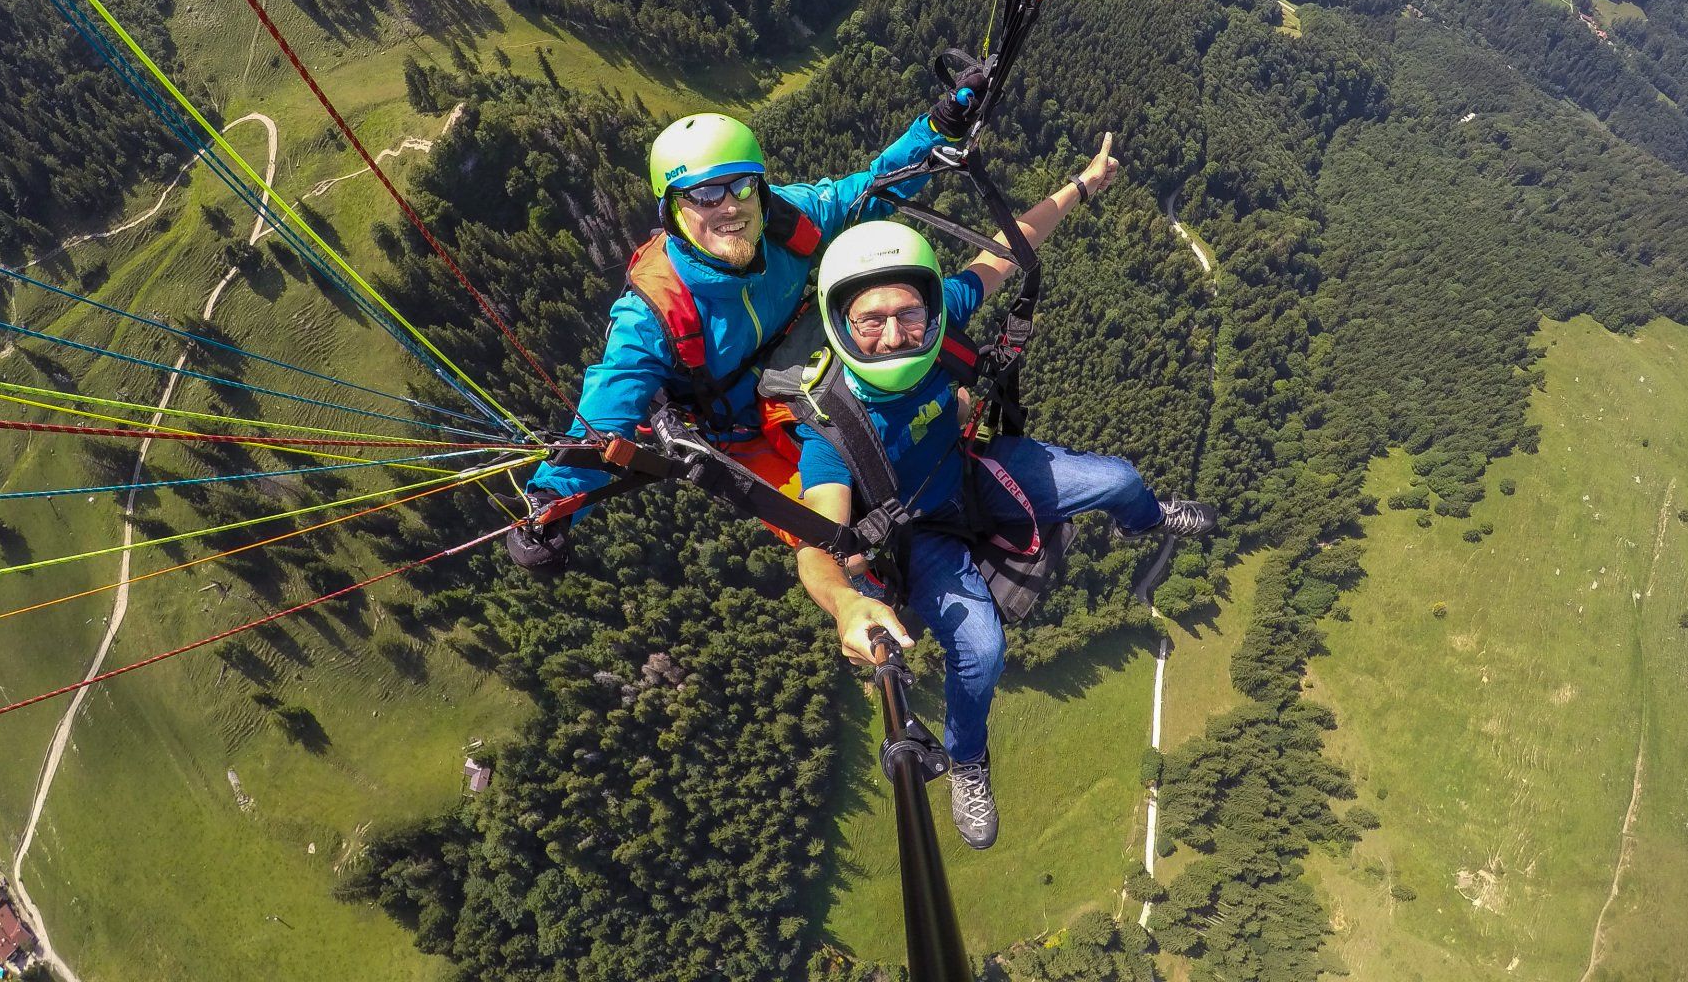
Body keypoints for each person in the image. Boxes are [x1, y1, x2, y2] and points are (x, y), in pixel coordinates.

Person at [790, 135, 1215, 849]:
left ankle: (1144, 520)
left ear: (928, 310)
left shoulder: (941, 317)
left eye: (908, 316)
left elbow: (1005, 249)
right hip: (917, 537)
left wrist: (1081, 184)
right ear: (842, 325)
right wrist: (843, 602)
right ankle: (967, 759)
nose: (895, 336)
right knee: (982, 651)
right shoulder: (829, 424)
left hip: (974, 471)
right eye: (871, 321)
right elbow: (816, 543)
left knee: (1119, 479)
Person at [509, 73, 986, 572]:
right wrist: (551, 507)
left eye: (741, 186)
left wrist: (939, 128)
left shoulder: (784, 222)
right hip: (741, 432)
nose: (730, 205)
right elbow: (606, 412)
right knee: (840, 542)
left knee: (925, 434)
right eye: (704, 195)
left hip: (812, 375)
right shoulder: (655, 312)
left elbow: (872, 190)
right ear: (671, 211)